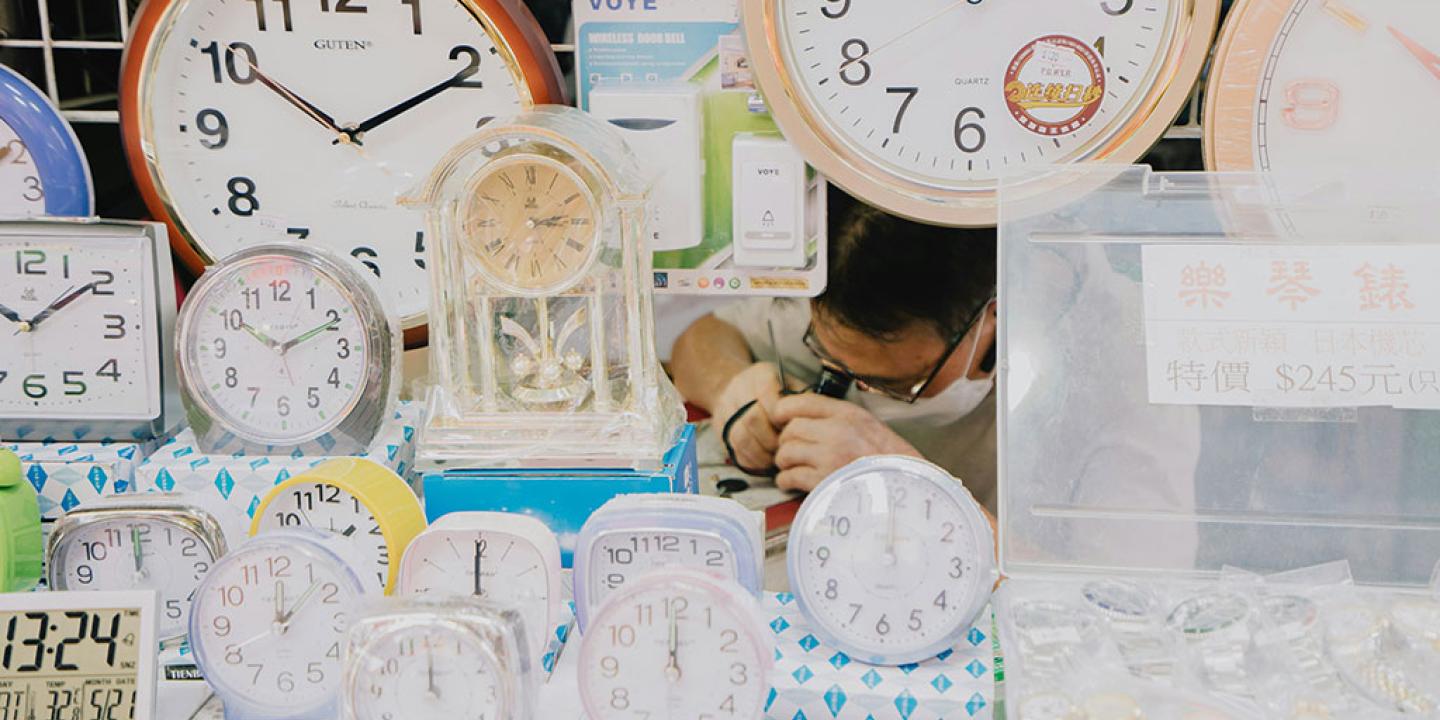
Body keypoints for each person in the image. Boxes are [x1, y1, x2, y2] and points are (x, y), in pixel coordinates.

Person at [672, 190, 1001, 510]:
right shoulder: (847, 299)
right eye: (829, 359)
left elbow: (1038, 565)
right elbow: (699, 338)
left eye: (894, 384)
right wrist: (730, 388)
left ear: (993, 317)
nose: (860, 390)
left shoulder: (1045, 403)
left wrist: (899, 480)